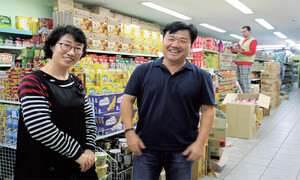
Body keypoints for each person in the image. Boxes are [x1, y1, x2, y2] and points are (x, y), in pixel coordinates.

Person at [121, 21, 215, 180]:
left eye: (183, 40)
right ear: (163, 41)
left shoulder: (201, 76)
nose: (175, 44)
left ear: (190, 45)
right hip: (145, 147)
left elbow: (208, 110)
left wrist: (201, 142)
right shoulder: (143, 71)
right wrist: (129, 132)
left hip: (183, 150)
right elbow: (126, 101)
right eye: (171, 39)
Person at [14, 25, 98, 179]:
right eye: (66, 45)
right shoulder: (33, 82)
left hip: (79, 166)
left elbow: (89, 120)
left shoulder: (76, 81)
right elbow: (40, 127)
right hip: (45, 168)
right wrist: (78, 153)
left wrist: (90, 150)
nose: (71, 52)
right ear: (52, 45)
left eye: (78, 48)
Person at [231, 26, 258, 93]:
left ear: (249, 31)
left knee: (245, 80)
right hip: (238, 62)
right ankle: (242, 95)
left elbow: (252, 52)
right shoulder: (241, 41)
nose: (243, 33)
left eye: (244, 31)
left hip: (246, 62)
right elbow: (237, 51)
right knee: (239, 80)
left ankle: (247, 96)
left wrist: (241, 51)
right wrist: (233, 50)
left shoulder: (253, 41)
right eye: (242, 32)